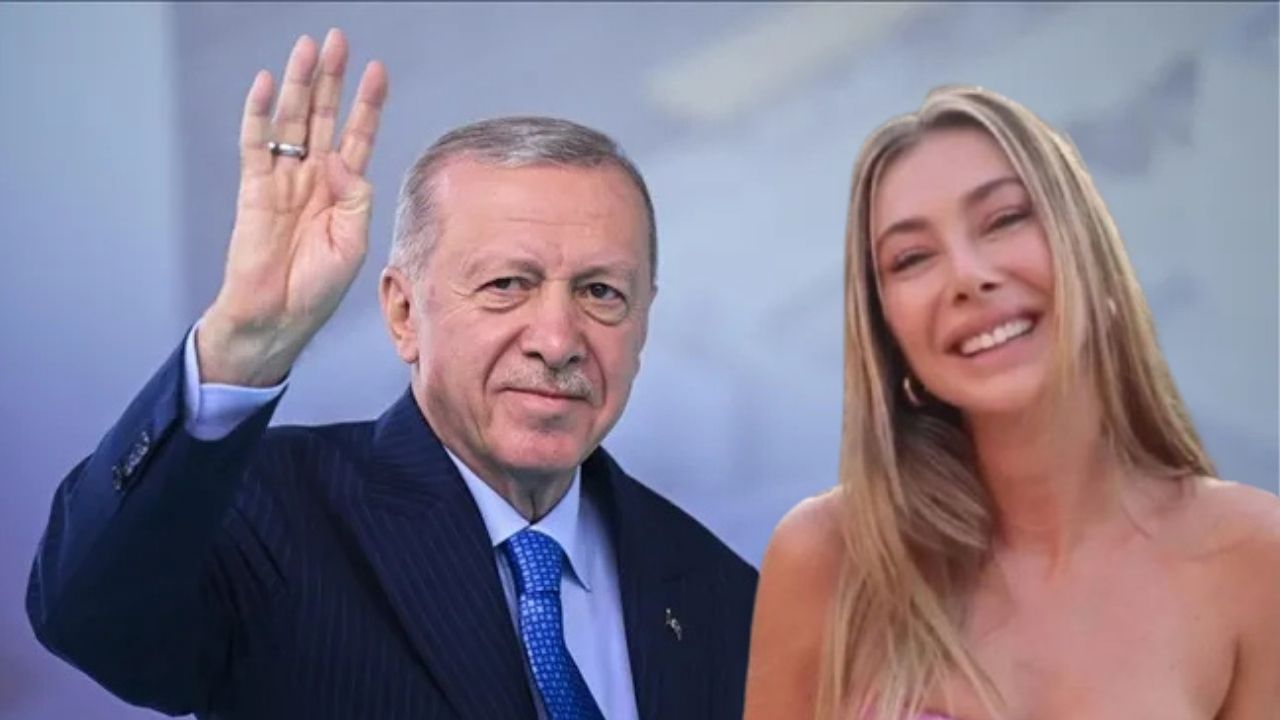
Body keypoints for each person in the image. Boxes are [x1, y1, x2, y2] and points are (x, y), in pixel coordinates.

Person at [27, 29, 756, 720]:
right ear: (405, 314)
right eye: (507, 284)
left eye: (601, 292)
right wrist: (242, 343)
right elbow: (90, 616)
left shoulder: (726, 595)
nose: (558, 340)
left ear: (643, 322)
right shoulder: (270, 515)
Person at [744, 85, 1280, 720]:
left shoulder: (1254, 557)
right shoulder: (825, 559)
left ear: (1088, 251)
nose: (968, 276)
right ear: (888, 332)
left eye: (1003, 220)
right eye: (911, 258)